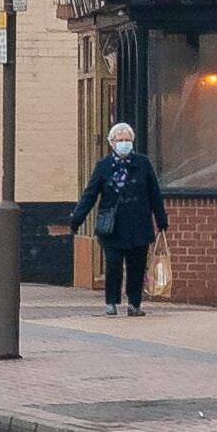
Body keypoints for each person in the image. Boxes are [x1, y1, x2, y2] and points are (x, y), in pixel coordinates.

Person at [67, 120, 168, 316]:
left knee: (137, 266)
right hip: (113, 225)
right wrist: (76, 220)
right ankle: (111, 301)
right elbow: (90, 195)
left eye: (127, 140)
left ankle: (134, 303)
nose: (124, 143)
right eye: (120, 140)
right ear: (111, 143)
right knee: (113, 264)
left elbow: (154, 193)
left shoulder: (143, 163)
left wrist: (161, 219)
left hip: (139, 223)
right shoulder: (104, 166)